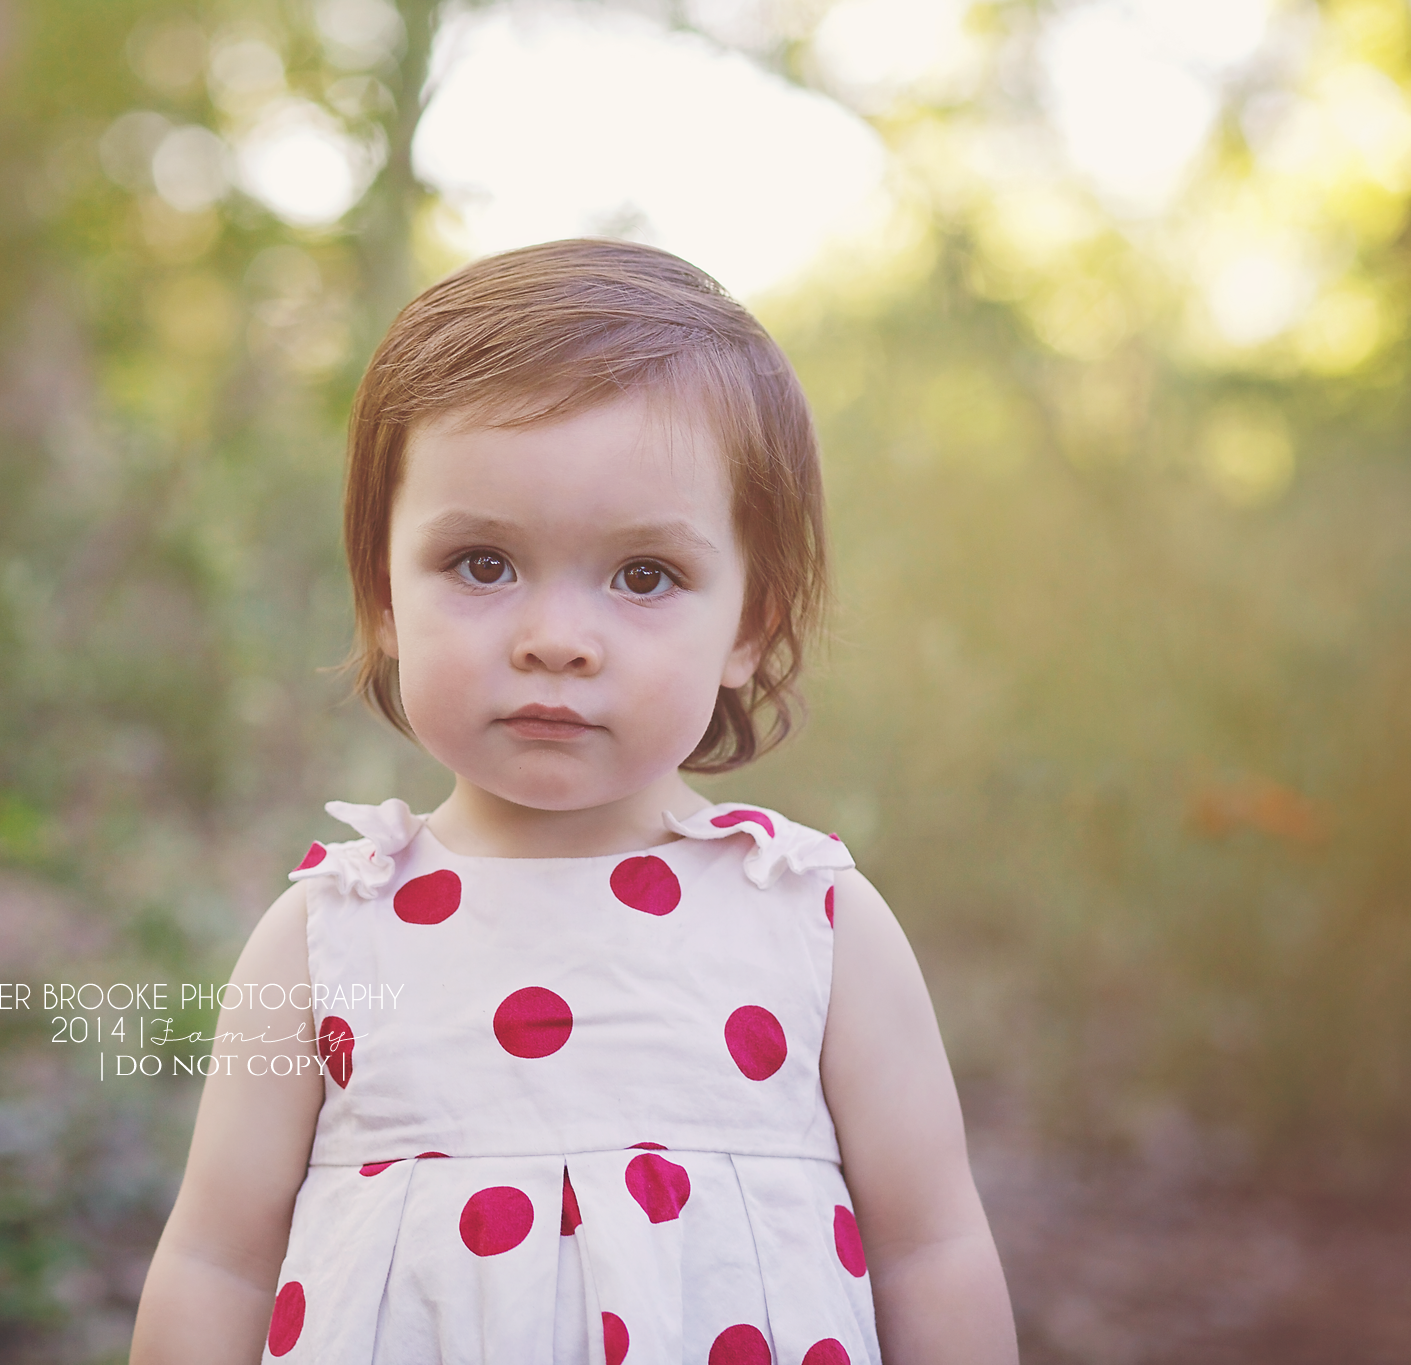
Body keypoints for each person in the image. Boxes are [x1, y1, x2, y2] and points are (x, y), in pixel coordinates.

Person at [130, 239, 1017, 1365]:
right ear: (383, 595)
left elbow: (928, 1250)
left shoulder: (813, 926)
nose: (554, 641)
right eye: (482, 563)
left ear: (749, 623)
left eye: (643, 576)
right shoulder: (323, 937)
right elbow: (217, 1259)